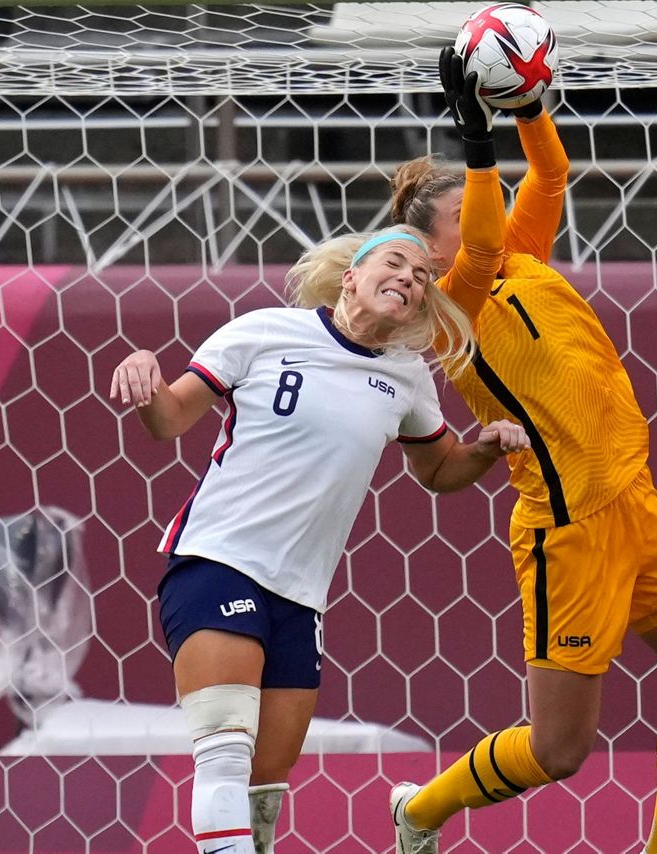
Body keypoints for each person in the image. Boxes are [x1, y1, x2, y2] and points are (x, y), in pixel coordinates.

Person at [384, 49, 657, 854]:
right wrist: (474, 138)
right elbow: (479, 243)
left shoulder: (522, 259)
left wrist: (525, 102)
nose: (494, 209)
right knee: (560, 751)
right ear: (433, 245)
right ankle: (421, 810)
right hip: (567, 532)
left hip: (635, 507)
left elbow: (549, 175)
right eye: (468, 213)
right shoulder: (452, 309)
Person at [109, 226, 530, 854]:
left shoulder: (407, 377)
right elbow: (168, 418)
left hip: (300, 597)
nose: (409, 282)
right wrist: (145, 372)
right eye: (395, 264)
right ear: (351, 275)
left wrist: (485, 449)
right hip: (217, 561)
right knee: (224, 750)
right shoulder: (264, 332)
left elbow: (440, 471)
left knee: (263, 789)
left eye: (420, 279)